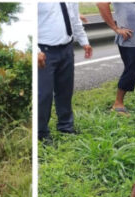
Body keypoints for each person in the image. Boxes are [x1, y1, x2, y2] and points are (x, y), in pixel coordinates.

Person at [38, 2, 92, 142]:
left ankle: (66, 127)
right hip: (44, 52)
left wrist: (84, 41)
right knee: (44, 95)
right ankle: (41, 133)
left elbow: (74, 19)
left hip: (66, 48)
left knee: (65, 90)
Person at [97, 2, 135, 114]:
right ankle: (118, 104)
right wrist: (116, 28)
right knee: (131, 71)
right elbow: (101, 4)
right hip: (130, 39)